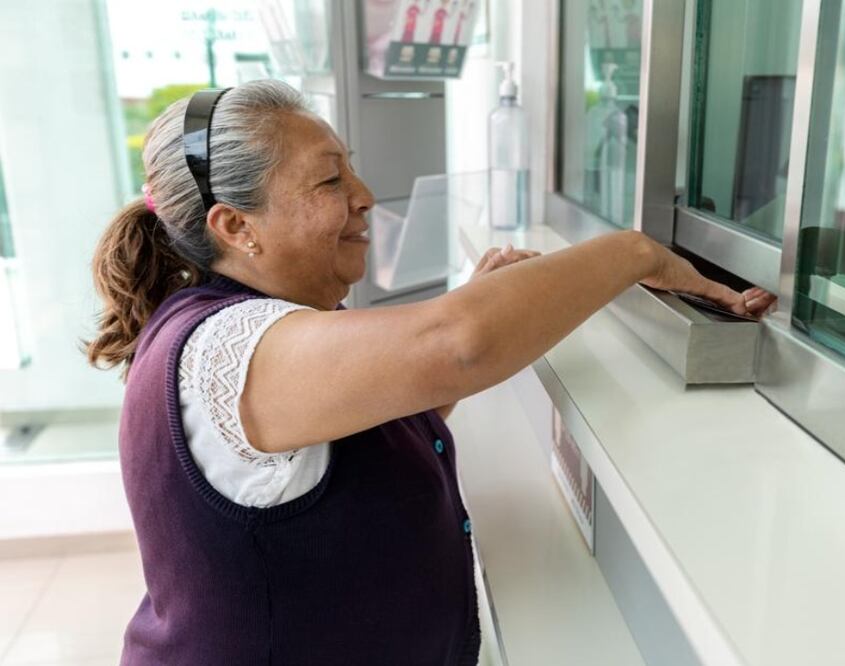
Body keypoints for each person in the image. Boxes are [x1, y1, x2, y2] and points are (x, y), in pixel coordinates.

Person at [86, 80, 774, 664]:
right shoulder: (227, 349)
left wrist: (490, 299)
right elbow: (457, 345)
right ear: (237, 227)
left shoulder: (259, 326)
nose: (363, 195)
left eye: (350, 170)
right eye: (329, 180)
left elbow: (374, 428)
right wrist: (636, 254)